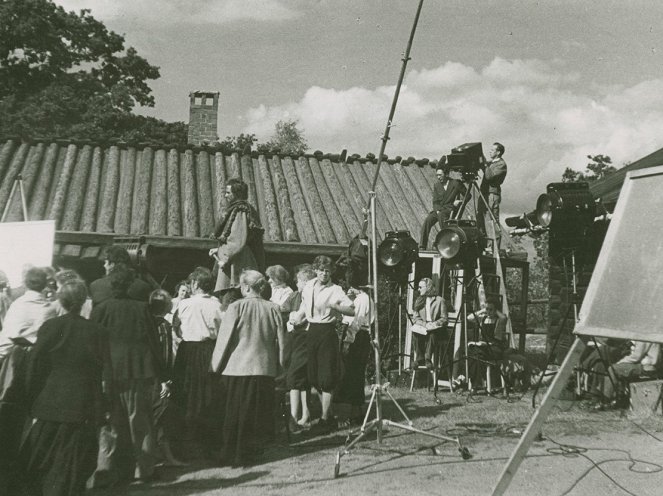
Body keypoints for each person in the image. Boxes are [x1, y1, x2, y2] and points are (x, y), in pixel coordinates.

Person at [18, 279, 104, 496]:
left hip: (49, 403)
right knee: (72, 467)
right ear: (84, 300)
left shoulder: (50, 327)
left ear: (61, 300)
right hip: (81, 406)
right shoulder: (97, 331)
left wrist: (30, 398)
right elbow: (102, 374)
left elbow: (34, 363)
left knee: (40, 462)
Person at [89, 263, 166, 486]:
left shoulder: (100, 309)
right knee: (140, 422)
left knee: (110, 423)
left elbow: (93, 343)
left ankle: (105, 471)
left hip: (109, 373)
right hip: (138, 371)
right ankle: (142, 472)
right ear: (131, 286)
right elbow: (154, 342)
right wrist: (161, 373)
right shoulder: (142, 309)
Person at [210, 270, 286, 467]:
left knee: (233, 412)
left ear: (246, 287)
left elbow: (223, 340)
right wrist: (281, 366)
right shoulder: (274, 308)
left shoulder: (236, 307)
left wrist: (214, 367)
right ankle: (250, 453)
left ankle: (229, 454)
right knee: (256, 413)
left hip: (236, 368)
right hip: (264, 368)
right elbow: (283, 343)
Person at [0, 267, 57, 493]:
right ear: (44, 284)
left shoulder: (18, 305)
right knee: (33, 411)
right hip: (40, 361)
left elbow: (7, 336)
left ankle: (9, 460)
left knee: (11, 408)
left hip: (17, 359)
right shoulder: (49, 308)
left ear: (26, 283)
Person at [292, 256, 354, 432]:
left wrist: (337, 306)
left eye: (327, 270)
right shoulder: (309, 286)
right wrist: (298, 317)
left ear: (331, 272)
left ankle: (325, 419)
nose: (324, 273)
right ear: (316, 270)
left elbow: (351, 309)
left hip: (327, 332)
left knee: (326, 377)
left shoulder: (335, 289)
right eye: (321, 270)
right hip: (311, 331)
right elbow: (305, 306)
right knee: (313, 376)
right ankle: (330, 415)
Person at [171, 267, 223, 451]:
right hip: (209, 350)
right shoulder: (217, 304)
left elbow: (176, 327)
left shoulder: (184, 304)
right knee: (207, 392)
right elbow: (221, 329)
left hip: (188, 350)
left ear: (195, 284)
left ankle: (188, 437)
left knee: (186, 392)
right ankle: (205, 438)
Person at [148, 289, 186, 467]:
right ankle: (166, 457)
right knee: (161, 416)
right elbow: (164, 355)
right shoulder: (163, 326)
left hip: (149, 376)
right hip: (159, 379)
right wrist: (166, 379)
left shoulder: (147, 324)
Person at [209, 178, 265, 291]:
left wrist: (224, 257)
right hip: (235, 257)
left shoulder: (240, 210)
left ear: (237, 194)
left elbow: (236, 240)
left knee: (233, 293)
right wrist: (218, 250)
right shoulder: (239, 209)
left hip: (237, 261)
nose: (225, 195)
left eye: (228, 192)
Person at [280, 265, 316, 430]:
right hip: (294, 337)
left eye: (300, 281)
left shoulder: (312, 297)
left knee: (295, 377)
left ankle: (294, 417)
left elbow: (302, 319)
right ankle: (304, 415)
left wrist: (294, 319)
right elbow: (283, 310)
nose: (297, 284)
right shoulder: (295, 296)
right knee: (300, 379)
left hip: (305, 336)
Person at [466, 298, 528, 391]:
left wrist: (495, 311)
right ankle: (475, 384)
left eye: (491, 309)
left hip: (496, 348)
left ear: (496, 310)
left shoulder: (499, 321)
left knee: (476, 355)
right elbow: (469, 317)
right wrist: (483, 310)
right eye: (487, 309)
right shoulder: (483, 319)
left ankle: (475, 385)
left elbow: (504, 317)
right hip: (484, 348)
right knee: (474, 354)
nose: (489, 312)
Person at [336, 285, 375, 425]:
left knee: (353, 374)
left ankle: (355, 413)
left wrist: (347, 342)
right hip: (355, 334)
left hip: (357, 335)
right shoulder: (359, 298)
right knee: (352, 375)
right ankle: (354, 412)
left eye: (352, 287)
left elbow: (357, 321)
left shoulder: (364, 298)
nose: (350, 290)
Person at [591, 340, 661, 409]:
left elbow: (636, 356)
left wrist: (621, 362)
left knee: (612, 369)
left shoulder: (644, 337)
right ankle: (613, 397)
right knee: (615, 368)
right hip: (647, 366)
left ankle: (606, 400)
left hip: (646, 367)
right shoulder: (646, 335)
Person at [419, 164, 466, 249]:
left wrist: (460, 202)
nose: (438, 177)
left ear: (446, 174)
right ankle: (422, 245)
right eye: (437, 175)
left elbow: (467, 195)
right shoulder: (437, 185)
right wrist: (436, 210)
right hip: (439, 209)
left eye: (440, 175)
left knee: (442, 216)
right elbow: (435, 201)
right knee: (428, 220)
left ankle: (445, 242)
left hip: (450, 209)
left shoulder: (455, 183)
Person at [411, 278, 448, 370]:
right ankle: (420, 359)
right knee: (415, 332)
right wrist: (424, 324)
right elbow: (415, 318)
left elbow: (444, 318)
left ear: (428, 287)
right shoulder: (419, 301)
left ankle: (428, 359)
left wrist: (434, 324)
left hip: (437, 329)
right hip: (424, 327)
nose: (418, 289)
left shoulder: (440, 300)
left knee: (432, 334)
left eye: (420, 287)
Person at [479, 142, 508, 250]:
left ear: (498, 152)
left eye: (492, 150)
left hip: (492, 194)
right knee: (481, 219)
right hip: (484, 193)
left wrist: (485, 164)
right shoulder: (491, 163)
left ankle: (494, 249)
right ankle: (484, 246)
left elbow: (489, 176)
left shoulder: (501, 164)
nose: (490, 151)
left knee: (491, 221)